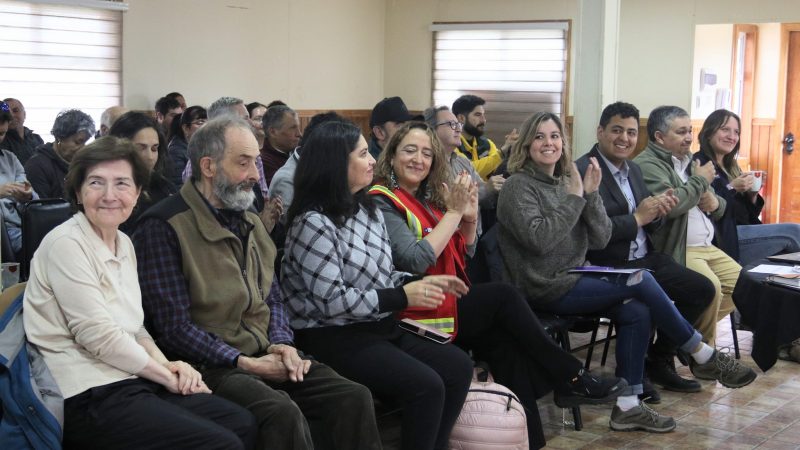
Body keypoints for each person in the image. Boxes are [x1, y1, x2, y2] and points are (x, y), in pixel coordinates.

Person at [370, 121, 626, 449]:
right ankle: (571, 376)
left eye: (426, 153)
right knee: (504, 296)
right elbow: (415, 259)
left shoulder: (426, 197)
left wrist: (471, 218)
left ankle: (533, 440)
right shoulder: (382, 200)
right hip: (413, 311)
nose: (419, 159)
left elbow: (464, 251)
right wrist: (453, 212)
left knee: (507, 347)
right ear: (391, 156)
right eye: (409, 151)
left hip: (445, 302)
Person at [497, 112, 757, 433]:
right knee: (641, 279)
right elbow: (540, 240)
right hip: (542, 285)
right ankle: (700, 351)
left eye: (554, 137)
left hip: (575, 274)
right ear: (526, 143)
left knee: (637, 309)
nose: (548, 143)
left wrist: (589, 195)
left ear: (563, 144)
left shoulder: (569, 182)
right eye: (539, 137)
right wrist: (578, 198)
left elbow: (600, 236)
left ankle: (628, 406)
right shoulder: (518, 188)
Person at [134, 116, 381, 450]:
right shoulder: (164, 226)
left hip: (263, 350)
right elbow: (174, 328)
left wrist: (281, 344)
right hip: (210, 364)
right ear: (208, 166)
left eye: (255, 161)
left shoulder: (249, 220)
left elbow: (273, 299)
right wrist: (245, 362)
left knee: (352, 396)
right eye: (243, 163)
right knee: (281, 412)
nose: (255, 174)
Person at [22, 136, 257, 449]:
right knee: (220, 443)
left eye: (121, 183)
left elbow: (135, 327)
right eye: (96, 183)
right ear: (78, 192)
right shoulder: (67, 244)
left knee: (241, 422)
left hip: (128, 377)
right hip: (85, 393)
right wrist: (165, 376)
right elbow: (100, 337)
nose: (109, 196)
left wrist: (169, 364)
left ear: (137, 192)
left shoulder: (124, 242)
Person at [282, 120, 474, 450]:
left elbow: (384, 274)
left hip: (374, 325)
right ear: (335, 164)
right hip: (330, 334)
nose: (373, 160)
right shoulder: (312, 221)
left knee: (458, 366)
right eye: (362, 154)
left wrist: (423, 282)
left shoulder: (365, 208)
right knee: (426, 385)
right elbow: (332, 300)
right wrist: (402, 295)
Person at [575, 102, 716, 398]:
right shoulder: (583, 170)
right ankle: (637, 376)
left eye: (630, 132)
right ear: (600, 132)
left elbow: (648, 221)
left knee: (702, 289)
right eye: (616, 130)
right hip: (607, 263)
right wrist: (639, 217)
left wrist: (659, 210)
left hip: (644, 257)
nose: (624, 139)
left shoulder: (635, 169)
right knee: (641, 307)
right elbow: (592, 234)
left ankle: (659, 358)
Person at [634, 106, 743, 348]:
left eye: (690, 131)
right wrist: (699, 182)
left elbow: (720, 203)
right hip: (680, 249)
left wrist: (716, 203)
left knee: (745, 285)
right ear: (659, 137)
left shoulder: (689, 161)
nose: (688, 137)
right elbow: (671, 206)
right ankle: (704, 353)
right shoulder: (647, 164)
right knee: (711, 289)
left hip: (707, 246)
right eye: (681, 132)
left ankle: (683, 340)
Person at [694, 109, 800, 265]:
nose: (732, 137)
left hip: (743, 230)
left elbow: (746, 215)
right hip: (722, 236)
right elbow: (710, 208)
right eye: (725, 130)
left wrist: (752, 195)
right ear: (708, 133)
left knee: (786, 253)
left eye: (736, 132)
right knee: (794, 232)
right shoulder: (700, 163)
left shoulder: (731, 166)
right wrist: (732, 188)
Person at [108, 111, 178, 234]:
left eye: (154, 148)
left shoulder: (164, 187)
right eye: (140, 148)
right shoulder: (108, 191)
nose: (150, 157)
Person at [25, 109, 95, 199]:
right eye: (78, 142)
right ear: (59, 138)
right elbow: (41, 208)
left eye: (85, 142)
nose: (82, 148)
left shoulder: (83, 164)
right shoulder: (36, 166)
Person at [452, 94, 518, 181]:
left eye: (483, 115)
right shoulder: (451, 145)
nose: (483, 120)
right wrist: (501, 153)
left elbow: (498, 171)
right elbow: (467, 171)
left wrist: (512, 152)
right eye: (478, 115)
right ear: (461, 118)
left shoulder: (488, 144)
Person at [0, 103, 37, 255]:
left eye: (1, 134)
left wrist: (27, 195)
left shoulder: (10, 159)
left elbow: (31, 195)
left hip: (18, 227)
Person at [260, 104, 301, 186]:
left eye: (298, 127)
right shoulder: (263, 162)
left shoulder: (297, 151)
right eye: (293, 128)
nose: (299, 134)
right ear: (273, 132)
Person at [167, 106, 207, 186]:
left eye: (208, 122)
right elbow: (177, 185)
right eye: (200, 123)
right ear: (186, 128)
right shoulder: (175, 150)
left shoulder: (204, 146)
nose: (206, 126)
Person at [0, 97, 44, 164]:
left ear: (24, 114)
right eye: (8, 112)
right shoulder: (2, 141)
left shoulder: (37, 138)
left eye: (15, 110)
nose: (11, 115)